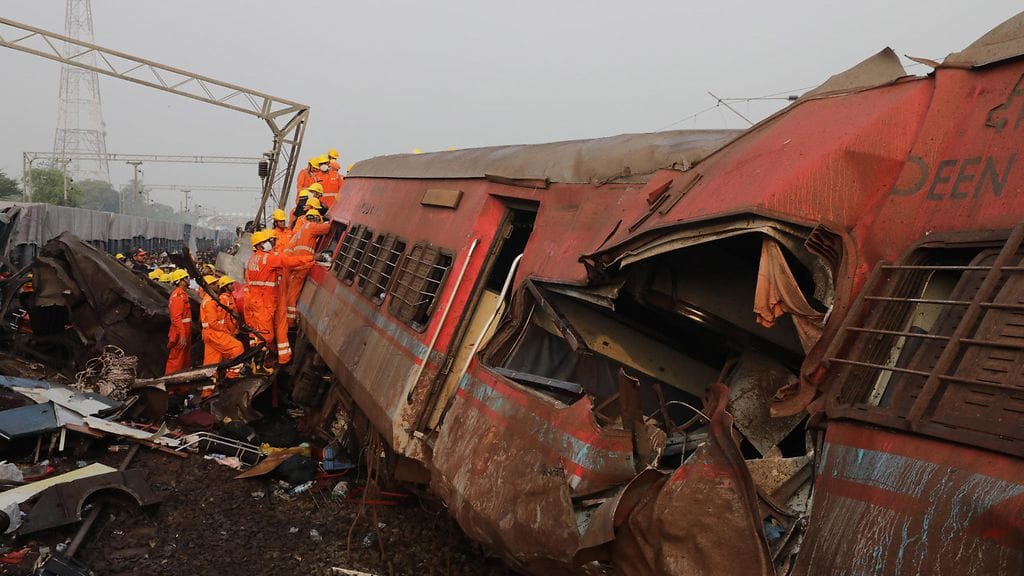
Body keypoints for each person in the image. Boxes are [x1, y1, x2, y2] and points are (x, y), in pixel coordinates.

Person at [244, 229, 311, 366]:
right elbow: (289, 262)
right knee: (266, 335)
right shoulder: (268, 258)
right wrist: (311, 259)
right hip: (265, 300)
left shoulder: (253, 259)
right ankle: (260, 362)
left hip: (264, 299)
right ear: (259, 245)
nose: (270, 243)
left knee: (269, 331)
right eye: (266, 241)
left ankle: (274, 358)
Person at [283, 205, 330, 326]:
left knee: (290, 292)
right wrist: (327, 222)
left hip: (295, 263)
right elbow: (327, 228)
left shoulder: (301, 229)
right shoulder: (311, 226)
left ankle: (288, 320)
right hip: (303, 264)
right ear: (315, 218)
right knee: (293, 293)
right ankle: (290, 321)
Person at [201, 275, 244, 379]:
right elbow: (214, 323)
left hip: (210, 333)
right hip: (214, 333)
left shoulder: (211, 300)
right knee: (237, 347)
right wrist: (228, 332)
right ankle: (231, 377)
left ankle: (209, 386)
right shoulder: (210, 302)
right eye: (214, 284)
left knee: (211, 364)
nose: (217, 285)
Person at [165, 269, 193, 375]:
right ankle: (170, 382)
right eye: (186, 278)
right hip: (180, 332)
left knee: (184, 359)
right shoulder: (177, 296)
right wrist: (182, 335)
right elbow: (176, 318)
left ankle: (182, 382)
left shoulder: (183, 294)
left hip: (185, 330)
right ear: (180, 281)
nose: (188, 279)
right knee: (176, 359)